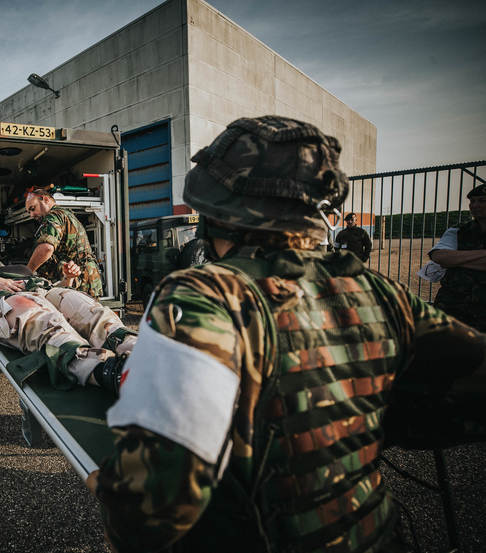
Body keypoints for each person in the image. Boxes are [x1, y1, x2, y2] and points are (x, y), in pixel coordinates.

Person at [87, 116, 486, 552]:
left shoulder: (206, 294)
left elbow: (153, 510)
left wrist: (109, 488)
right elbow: (467, 395)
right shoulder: (383, 293)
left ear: (218, 216)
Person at [0, 262, 135, 395]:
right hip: (3, 298)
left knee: (89, 310)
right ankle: (105, 370)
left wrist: (68, 280)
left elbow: (58, 296)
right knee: (44, 321)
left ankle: (133, 348)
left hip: (43, 289)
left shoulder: (31, 274)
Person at [25, 185, 104, 298]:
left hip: (78, 282)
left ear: (46, 199)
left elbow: (47, 248)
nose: (32, 215)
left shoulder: (54, 216)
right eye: (29, 212)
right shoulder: (65, 214)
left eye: (33, 209)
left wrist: (27, 271)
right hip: (87, 280)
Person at [430, 183, 486, 331]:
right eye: (472, 201)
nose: (475, 205)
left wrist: (457, 261)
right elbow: (439, 256)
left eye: (482, 200)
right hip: (453, 306)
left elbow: (449, 259)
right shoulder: (458, 230)